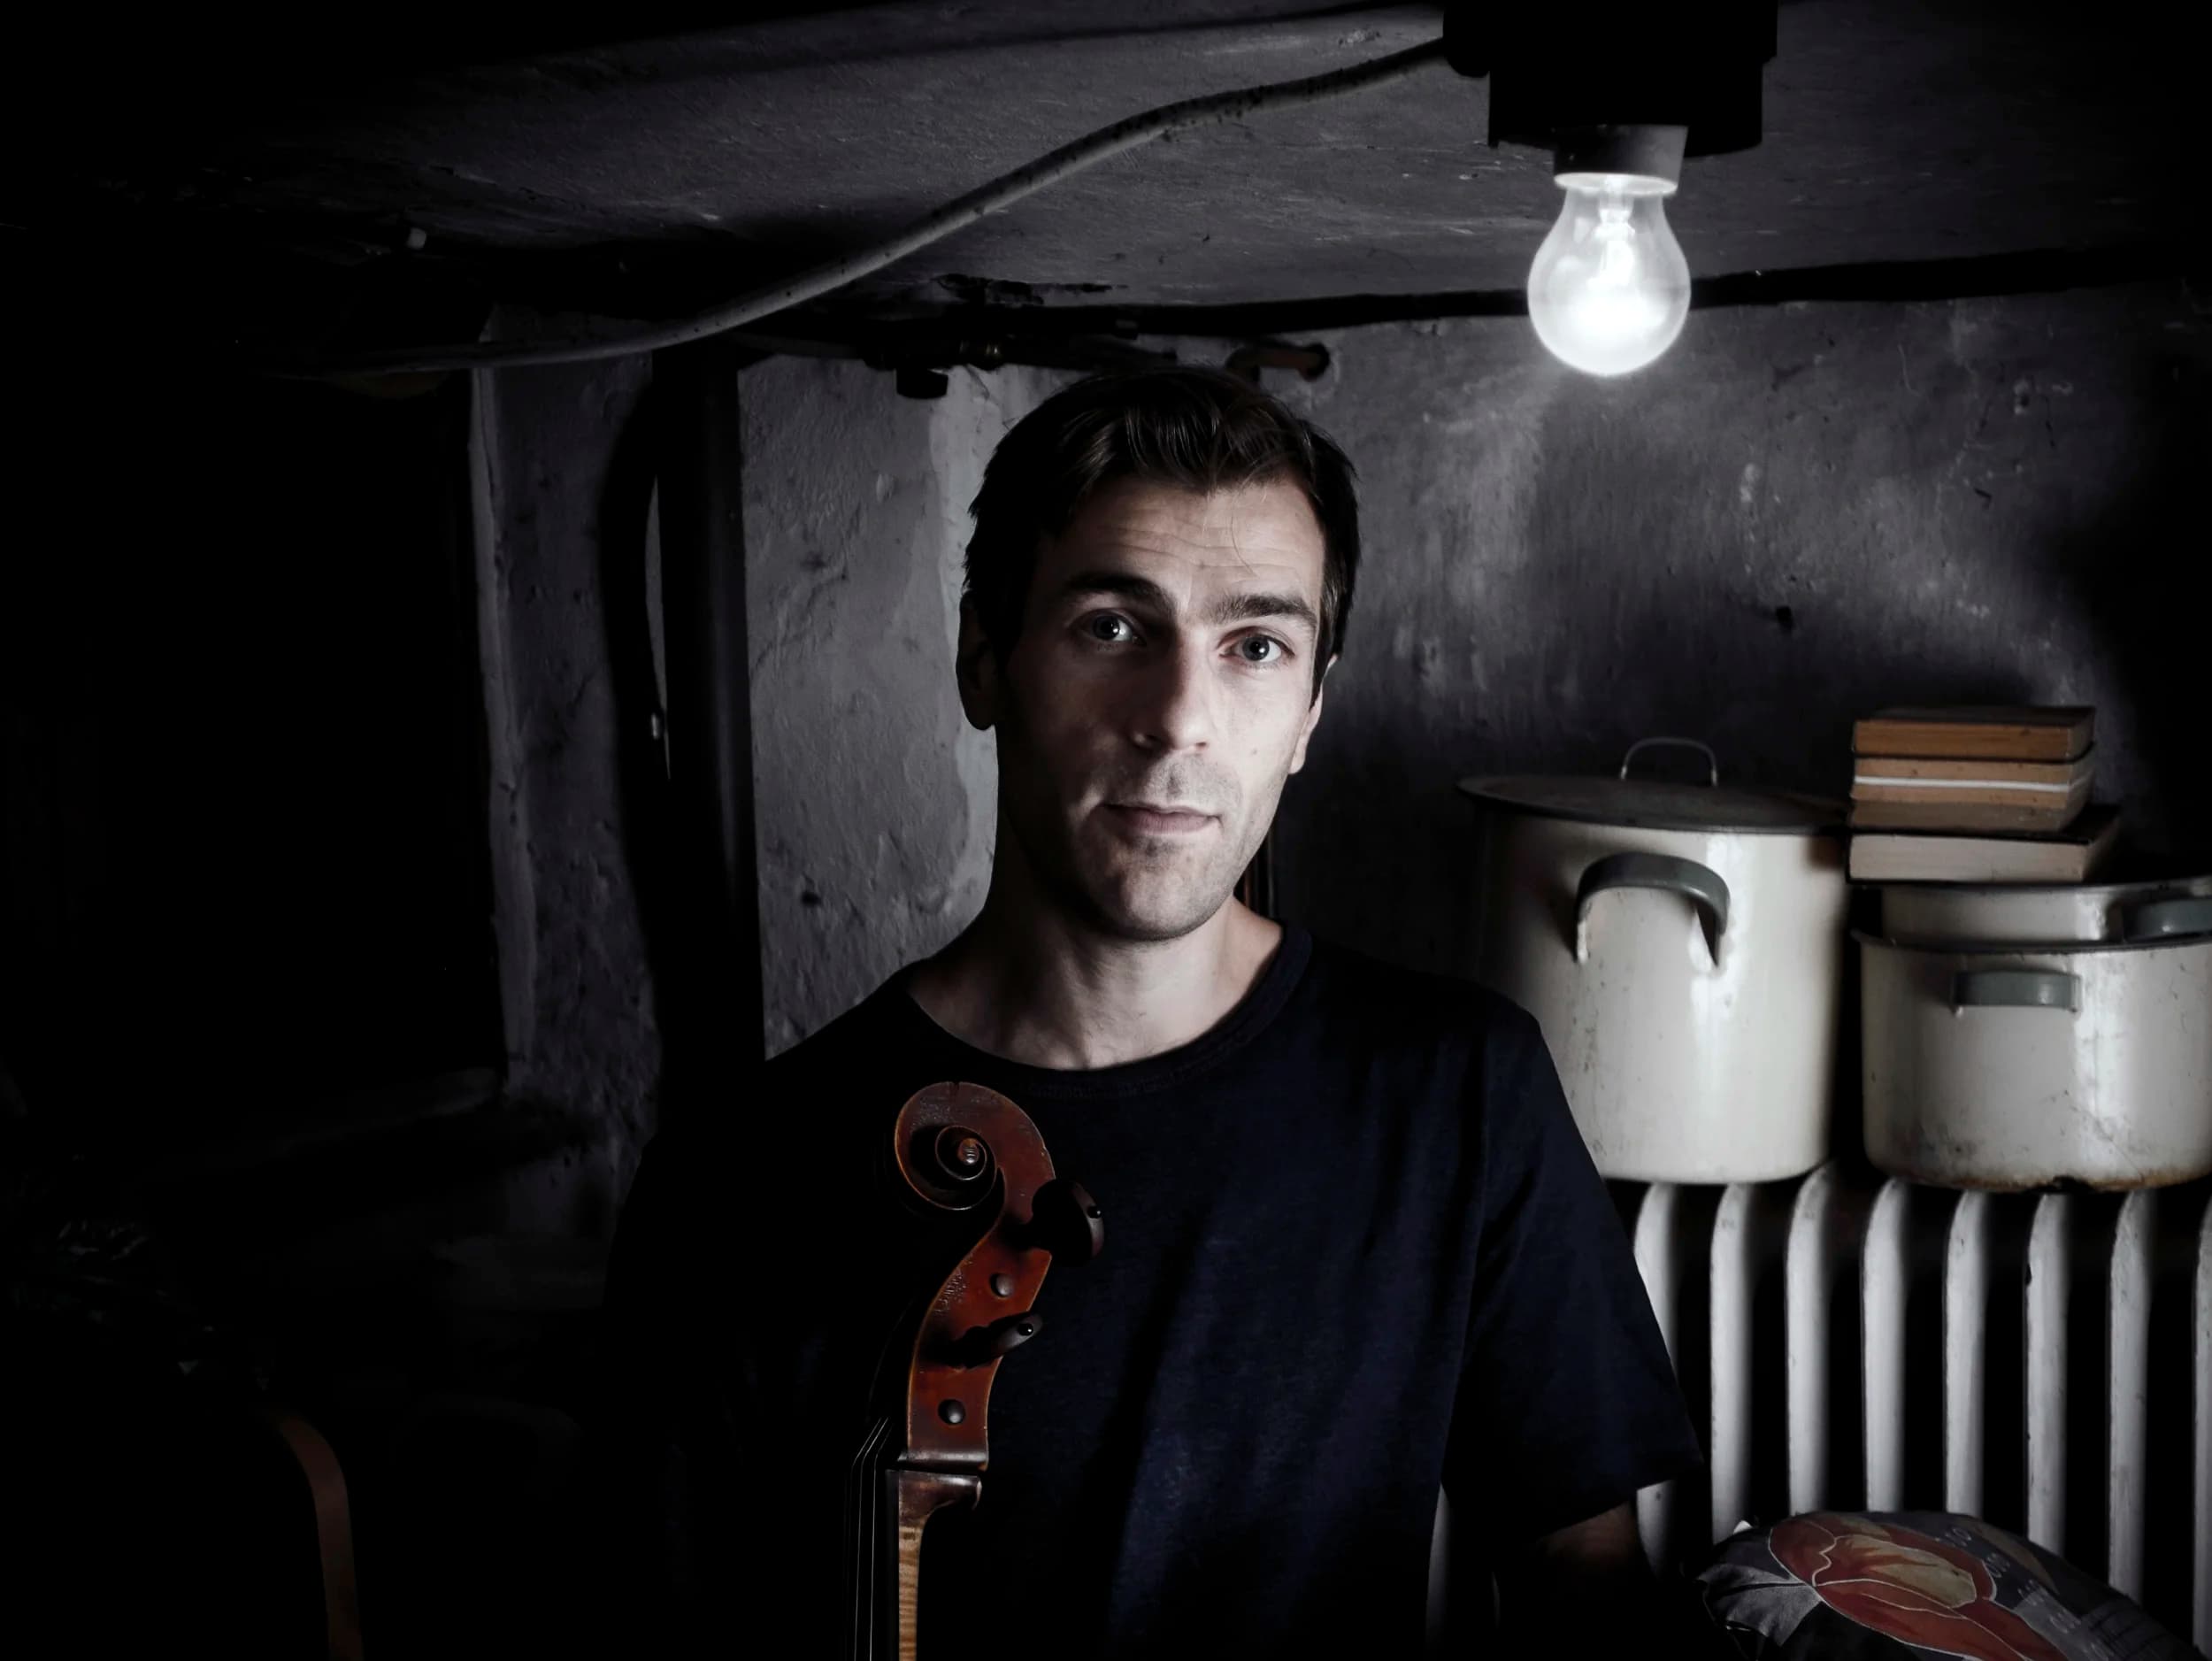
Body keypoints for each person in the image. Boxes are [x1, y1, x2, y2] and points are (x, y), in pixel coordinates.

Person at [596, 365, 1705, 1656]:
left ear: (1308, 713)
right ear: (982, 659)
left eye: (1255, 646)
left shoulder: (1460, 1093)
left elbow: (1585, 1571)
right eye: (1113, 627)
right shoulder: (740, 1169)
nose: (1178, 718)